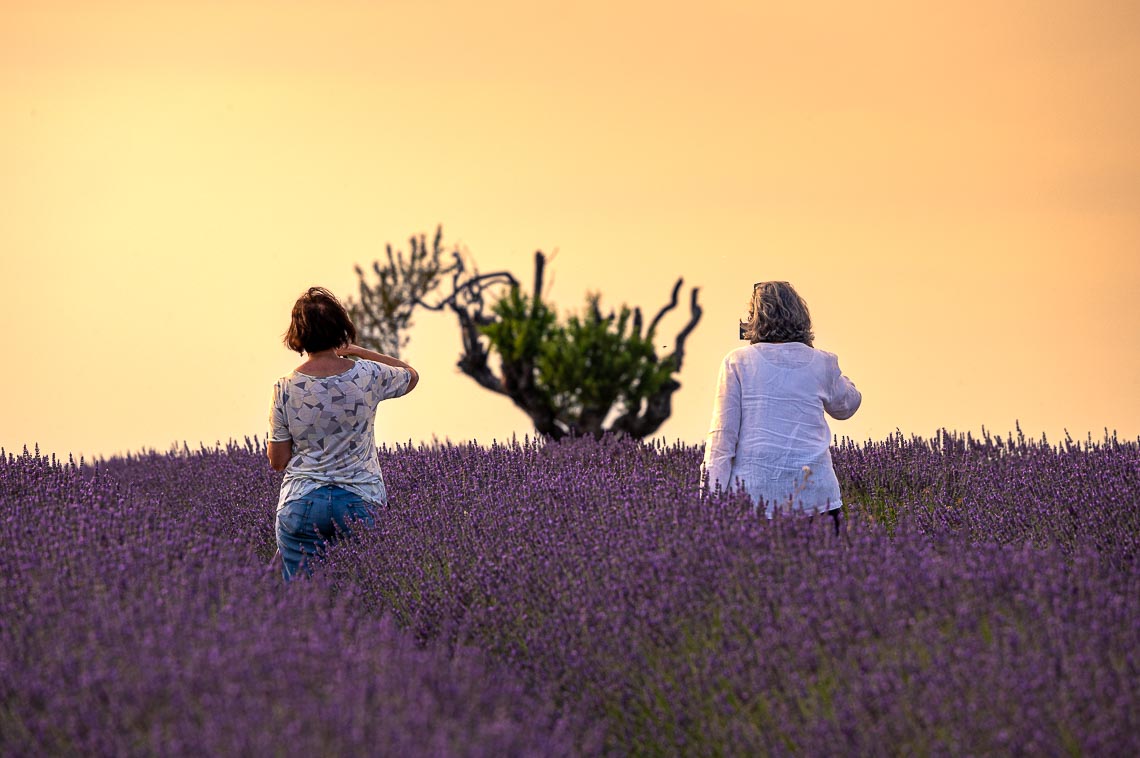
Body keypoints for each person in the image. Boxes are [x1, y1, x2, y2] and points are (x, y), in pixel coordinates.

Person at [268, 286, 419, 581]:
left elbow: (278, 460)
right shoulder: (368, 374)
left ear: (298, 334)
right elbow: (411, 375)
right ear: (341, 329)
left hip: (301, 502)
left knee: (302, 605)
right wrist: (359, 352)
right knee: (365, 596)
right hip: (360, 500)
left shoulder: (284, 387)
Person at [701, 281, 861, 530]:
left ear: (754, 320)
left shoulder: (737, 362)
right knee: (824, 569)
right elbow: (847, 406)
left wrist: (710, 504)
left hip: (754, 501)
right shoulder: (822, 362)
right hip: (818, 499)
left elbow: (721, 441)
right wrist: (838, 376)